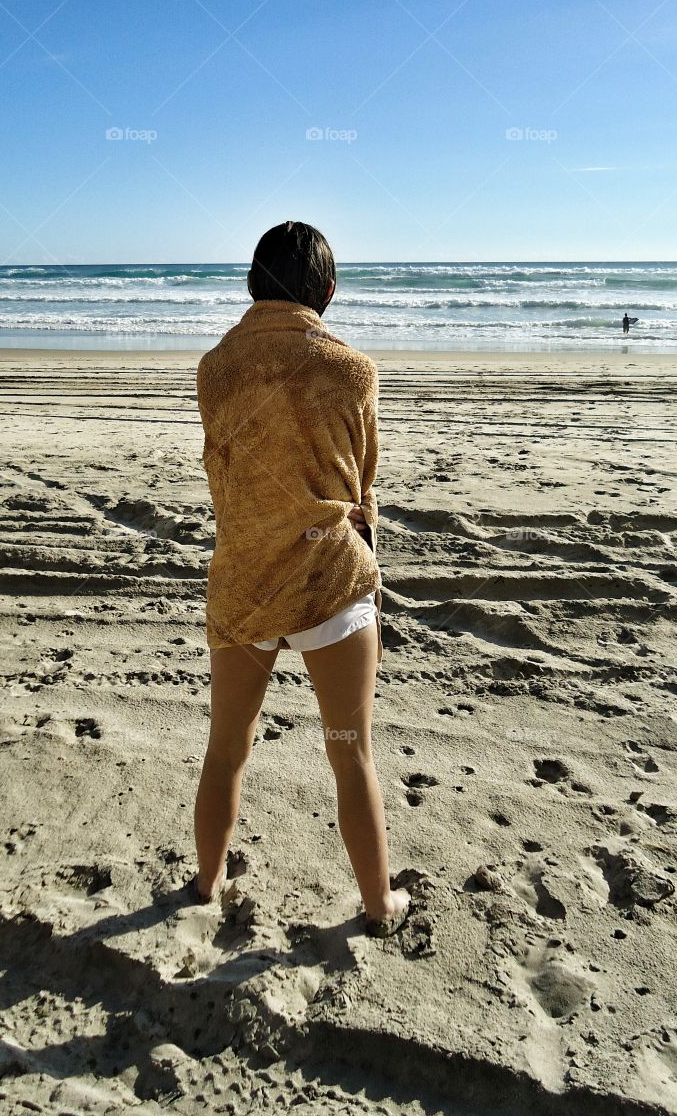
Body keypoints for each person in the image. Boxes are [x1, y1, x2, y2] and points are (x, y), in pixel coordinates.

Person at [193, 221, 410, 937]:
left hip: (246, 577)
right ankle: (380, 906)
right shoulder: (351, 369)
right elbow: (364, 480)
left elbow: (223, 472)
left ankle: (207, 881)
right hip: (329, 579)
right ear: (329, 289)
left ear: (254, 282)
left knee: (227, 749)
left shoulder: (216, 366)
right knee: (351, 754)